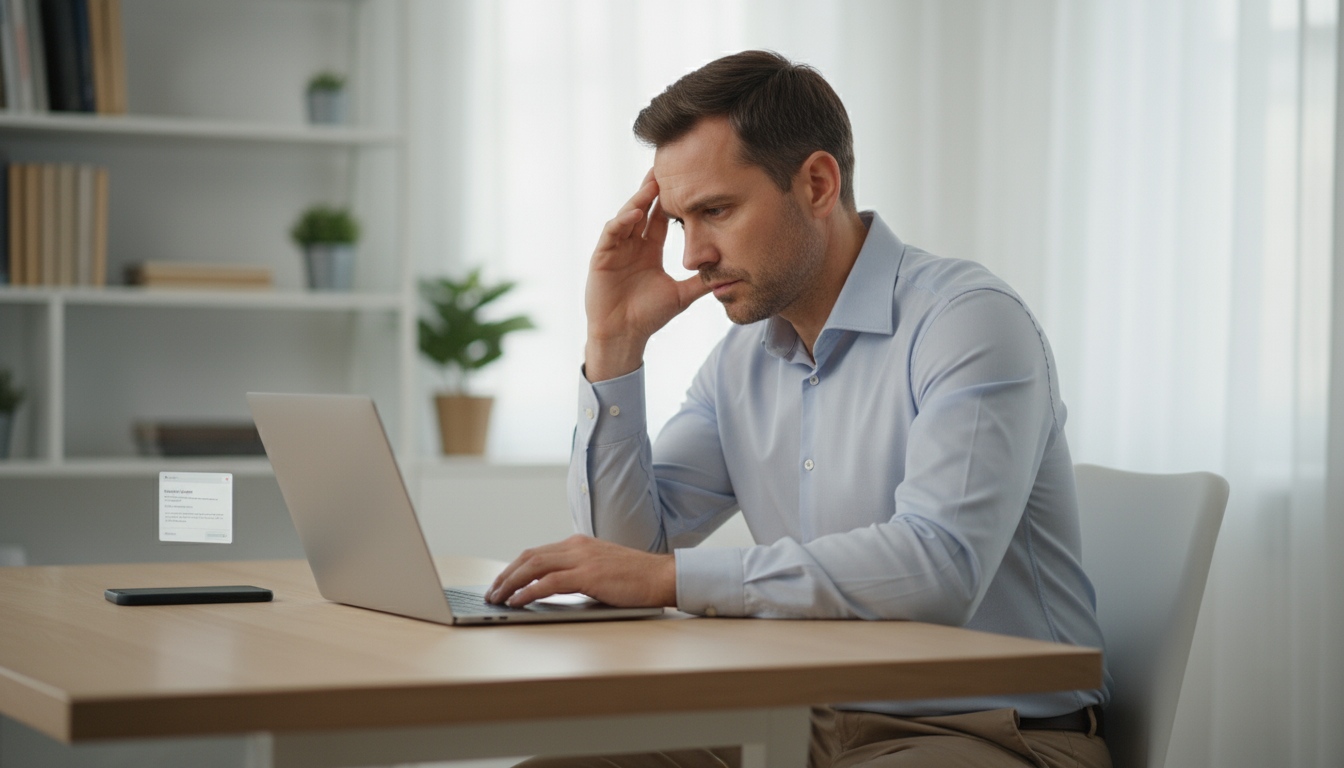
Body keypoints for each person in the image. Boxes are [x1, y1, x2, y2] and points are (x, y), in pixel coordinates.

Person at [487, 50, 1112, 768]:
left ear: (817, 183)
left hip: (988, 734)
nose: (692, 254)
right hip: (798, 726)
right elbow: (625, 557)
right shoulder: (741, 361)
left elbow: (939, 568)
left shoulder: (967, 321)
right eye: (682, 220)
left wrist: (671, 581)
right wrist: (614, 341)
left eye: (715, 211)